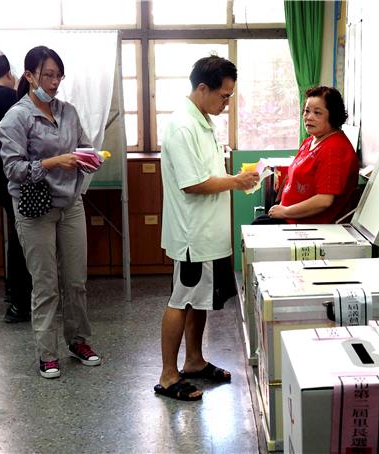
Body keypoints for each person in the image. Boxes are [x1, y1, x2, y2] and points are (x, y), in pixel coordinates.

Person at [156, 55, 259, 401]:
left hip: (207, 233)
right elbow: (192, 183)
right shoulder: (183, 125)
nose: (226, 104)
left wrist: (235, 181)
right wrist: (236, 181)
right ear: (203, 88)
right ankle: (168, 376)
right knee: (181, 299)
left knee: (197, 300)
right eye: (224, 96)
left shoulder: (202, 119)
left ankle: (195, 362)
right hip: (192, 235)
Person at [0, 46, 103, 379]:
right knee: (45, 284)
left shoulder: (69, 112)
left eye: (59, 76)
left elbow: (83, 145)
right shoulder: (16, 117)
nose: (55, 82)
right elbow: (13, 169)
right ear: (29, 76)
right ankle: (47, 353)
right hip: (34, 209)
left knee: (76, 281)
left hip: (71, 203)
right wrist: (55, 162)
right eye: (48, 75)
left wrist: (91, 156)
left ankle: (79, 341)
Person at [254, 86, 359, 225]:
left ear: (332, 115)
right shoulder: (311, 140)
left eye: (317, 113)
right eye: (306, 111)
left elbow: (324, 201)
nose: (309, 117)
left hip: (306, 225)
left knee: (258, 230)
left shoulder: (335, 149)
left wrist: (285, 211)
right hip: (289, 216)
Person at [0, 55, 33, 323]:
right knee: (24, 237)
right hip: (15, 177)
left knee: (16, 234)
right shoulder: (10, 100)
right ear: (9, 74)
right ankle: (21, 302)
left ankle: (13, 293)